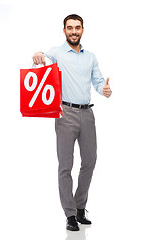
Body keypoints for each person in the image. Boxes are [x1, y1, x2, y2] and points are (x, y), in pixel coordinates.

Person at [33, 14, 112, 231]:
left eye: (77, 28)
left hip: (87, 115)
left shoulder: (91, 57)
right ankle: (69, 214)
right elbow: (42, 59)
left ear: (83, 30)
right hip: (65, 113)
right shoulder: (57, 53)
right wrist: (38, 54)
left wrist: (105, 90)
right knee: (65, 166)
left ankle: (79, 207)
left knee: (90, 161)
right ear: (64, 30)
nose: (74, 31)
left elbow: (98, 82)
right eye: (70, 28)